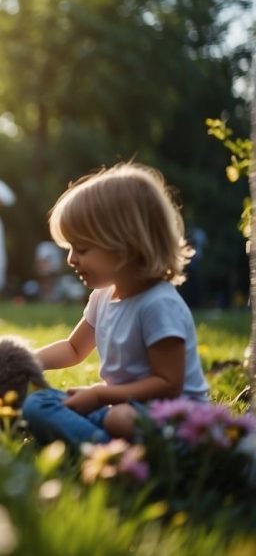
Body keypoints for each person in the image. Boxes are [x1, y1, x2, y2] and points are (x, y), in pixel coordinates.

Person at [19, 162, 210, 446]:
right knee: (38, 402)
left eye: (82, 249)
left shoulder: (158, 305)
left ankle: (105, 451)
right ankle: (101, 440)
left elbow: (169, 385)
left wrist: (99, 395)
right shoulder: (103, 296)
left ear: (127, 247)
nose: (71, 259)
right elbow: (73, 348)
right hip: (117, 407)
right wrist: (25, 363)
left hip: (173, 418)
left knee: (120, 419)